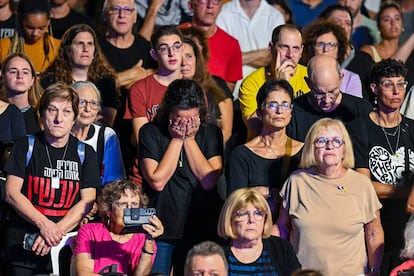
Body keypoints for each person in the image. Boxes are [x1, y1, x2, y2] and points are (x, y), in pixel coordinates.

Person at [1, 82, 100, 275]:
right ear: (42, 114)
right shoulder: (25, 145)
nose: (58, 119)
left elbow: (88, 201)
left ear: (74, 118)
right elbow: (11, 193)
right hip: (22, 245)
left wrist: (54, 233)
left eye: (66, 112)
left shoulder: (85, 152)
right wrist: (44, 225)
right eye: (52, 110)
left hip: (62, 246)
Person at [277, 118, 384, 275]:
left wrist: (375, 270)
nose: (329, 146)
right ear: (312, 148)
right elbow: (282, 228)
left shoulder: (361, 184)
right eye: (321, 140)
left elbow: (374, 233)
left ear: (344, 149)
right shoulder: (297, 181)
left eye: (336, 141)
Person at [139, 79, 223, 275]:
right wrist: (177, 140)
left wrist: (190, 140)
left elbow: (209, 180)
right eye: (180, 119)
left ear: (200, 115)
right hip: (160, 228)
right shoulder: (150, 132)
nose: (185, 124)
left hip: (201, 227)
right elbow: (157, 181)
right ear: (169, 112)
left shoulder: (210, 133)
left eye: (191, 119)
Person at [346, 58, 414, 275]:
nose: (396, 91)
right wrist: (407, 192)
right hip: (373, 226)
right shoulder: (359, 128)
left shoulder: (412, 128)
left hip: (409, 231)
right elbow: (362, 185)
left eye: (401, 84)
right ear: (374, 88)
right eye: (388, 84)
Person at [228, 79, 303, 224]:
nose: (280, 111)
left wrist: (263, 191)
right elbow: (235, 202)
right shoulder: (242, 154)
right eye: (272, 105)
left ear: (291, 112)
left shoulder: (303, 151)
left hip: (292, 228)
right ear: (259, 113)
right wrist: (273, 192)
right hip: (253, 227)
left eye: (285, 105)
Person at [124, 25, 184, 186]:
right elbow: (140, 139)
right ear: (154, 54)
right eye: (164, 49)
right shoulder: (140, 89)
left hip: (182, 175)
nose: (172, 53)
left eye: (176, 47)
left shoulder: (194, 89)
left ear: (183, 49)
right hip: (145, 176)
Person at [71, 179, 164, 275]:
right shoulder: (90, 231)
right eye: (123, 204)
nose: (129, 209)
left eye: (134, 204)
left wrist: (149, 241)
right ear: (108, 210)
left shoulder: (143, 239)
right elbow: (83, 273)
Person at [239, 24, 310, 140]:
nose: (290, 54)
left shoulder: (310, 77)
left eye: (295, 48)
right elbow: (256, 128)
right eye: (284, 47)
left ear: (301, 51)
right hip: (264, 148)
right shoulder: (251, 83)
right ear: (271, 48)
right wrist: (279, 85)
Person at [41, 24, 119, 127]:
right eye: (80, 44)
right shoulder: (51, 80)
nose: (86, 49)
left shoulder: (106, 81)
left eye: (90, 44)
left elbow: (108, 118)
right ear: (68, 50)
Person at [287, 55, 372, 142]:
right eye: (319, 93)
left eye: (332, 92)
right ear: (308, 83)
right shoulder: (293, 112)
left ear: (341, 78)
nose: (327, 100)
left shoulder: (361, 109)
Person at [218, 188, 301, 275]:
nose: (251, 220)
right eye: (243, 214)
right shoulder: (217, 253)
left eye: (258, 214)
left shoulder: (281, 248)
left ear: (265, 219)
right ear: (229, 219)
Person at [216, 0, 285, 95]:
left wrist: (234, 58)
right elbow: (220, 56)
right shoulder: (223, 11)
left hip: (264, 91)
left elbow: (273, 58)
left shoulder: (275, 16)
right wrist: (261, 53)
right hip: (230, 90)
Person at [71, 81, 125, 185]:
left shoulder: (106, 135)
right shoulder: (59, 134)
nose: (87, 109)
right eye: (81, 102)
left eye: (93, 103)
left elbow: (114, 182)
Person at [318, 4, 375, 103]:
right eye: (337, 22)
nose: (343, 27)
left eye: (347, 23)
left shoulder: (365, 61)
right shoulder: (311, 59)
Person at [181, 36, 233, 144]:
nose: (184, 62)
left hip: (210, 152)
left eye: (189, 56)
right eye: (180, 57)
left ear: (197, 59)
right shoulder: (167, 88)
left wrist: (208, 152)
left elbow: (226, 131)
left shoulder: (217, 84)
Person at [186, 0, 243, 92]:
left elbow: (227, 92)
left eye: (215, 1)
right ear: (191, 6)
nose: (210, 5)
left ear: (220, 7)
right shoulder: (176, 37)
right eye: (204, 0)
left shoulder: (231, 44)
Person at [302, 19, 363, 98]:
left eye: (331, 45)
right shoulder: (301, 73)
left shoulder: (351, 79)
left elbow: (354, 108)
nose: (326, 49)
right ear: (311, 47)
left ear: (339, 49)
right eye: (320, 44)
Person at [0, 0, 61, 74]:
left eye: (41, 28)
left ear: (48, 23)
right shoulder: (4, 46)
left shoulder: (57, 47)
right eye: (30, 27)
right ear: (21, 22)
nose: (35, 33)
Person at [3, 53, 41, 134]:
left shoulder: (41, 115)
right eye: (13, 72)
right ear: (4, 77)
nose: (20, 76)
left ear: (32, 80)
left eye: (25, 72)